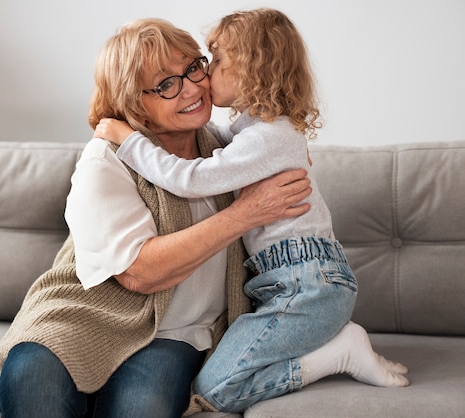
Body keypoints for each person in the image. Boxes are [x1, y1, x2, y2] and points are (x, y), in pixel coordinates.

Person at [0, 17, 314, 418]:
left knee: (143, 407)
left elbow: (281, 153)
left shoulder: (228, 150)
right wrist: (243, 215)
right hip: (86, 316)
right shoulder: (106, 160)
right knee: (32, 382)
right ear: (132, 101)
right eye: (165, 84)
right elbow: (140, 273)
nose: (193, 87)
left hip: (176, 334)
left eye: (194, 67)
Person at [94, 8, 409, 414]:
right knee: (215, 382)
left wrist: (128, 139)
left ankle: (340, 353)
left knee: (216, 389)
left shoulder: (269, 137)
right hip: (295, 280)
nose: (205, 75)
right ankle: (337, 346)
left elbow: (190, 178)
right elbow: (217, 143)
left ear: (252, 71)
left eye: (217, 60)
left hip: (305, 284)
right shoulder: (257, 132)